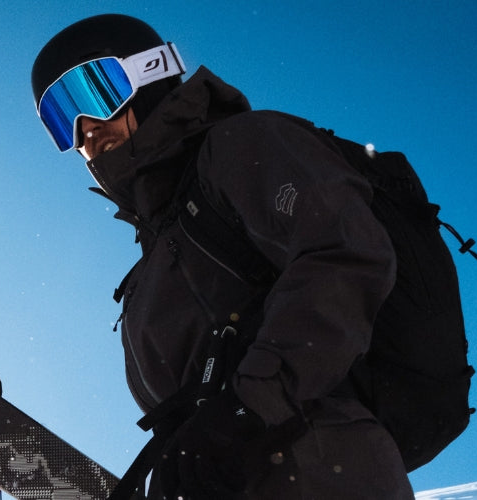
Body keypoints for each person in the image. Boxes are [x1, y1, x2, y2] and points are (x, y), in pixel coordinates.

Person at [30, 14, 412, 499]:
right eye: (63, 120)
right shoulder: (154, 259)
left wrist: (243, 412)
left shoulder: (240, 147)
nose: (86, 130)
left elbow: (345, 255)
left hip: (318, 471)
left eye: (93, 94)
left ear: (150, 73)